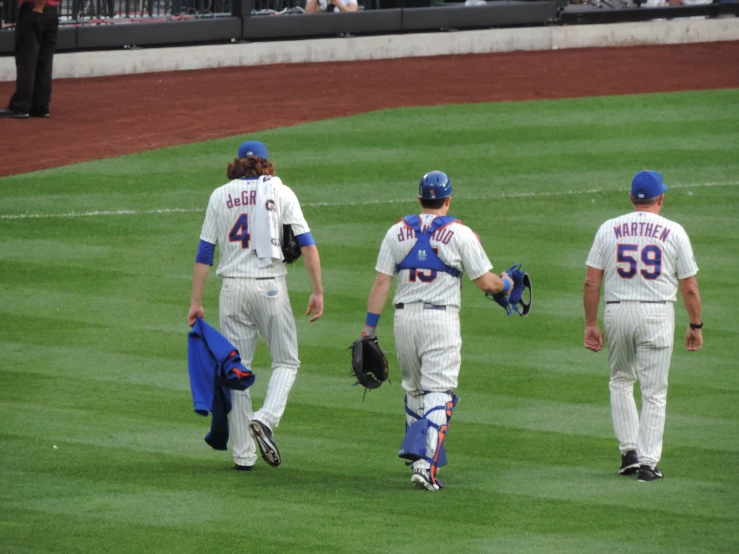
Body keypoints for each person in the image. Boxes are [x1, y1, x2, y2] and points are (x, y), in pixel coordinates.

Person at [361, 170, 512, 491]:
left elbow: (380, 283)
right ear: (448, 199)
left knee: (415, 390)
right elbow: (487, 283)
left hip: (403, 321)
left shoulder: (397, 231)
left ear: (419, 199)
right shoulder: (460, 234)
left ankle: (419, 462)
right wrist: (507, 283)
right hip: (440, 322)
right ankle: (427, 466)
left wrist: (368, 331)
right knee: (439, 391)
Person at [187, 140, 324, 471]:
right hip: (270, 289)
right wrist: (317, 290)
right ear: (264, 162)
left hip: (232, 290)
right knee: (286, 361)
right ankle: (265, 418)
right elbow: (306, 245)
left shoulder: (220, 195)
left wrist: (195, 301)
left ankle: (243, 456)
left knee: (238, 369)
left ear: (238, 162)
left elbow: (205, 252)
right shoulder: (281, 192)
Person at [583, 169, 703, 483]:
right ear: (660, 198)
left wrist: (590, 323)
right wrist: (696, 325)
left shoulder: (608, 228)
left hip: (617, 311)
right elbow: (689, 288)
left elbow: (591, 282)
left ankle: (629, 454)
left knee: (620, 380)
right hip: (657, 314)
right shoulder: (674, 231)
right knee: (654, 391)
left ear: (631, 198)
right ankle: (648, 463)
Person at [0, 0, 59, 119]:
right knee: (44, 61)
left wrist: (38, 7)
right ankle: (40, 106)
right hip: (52, 12)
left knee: (27, 60)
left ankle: (20, 105)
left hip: (34, 9)